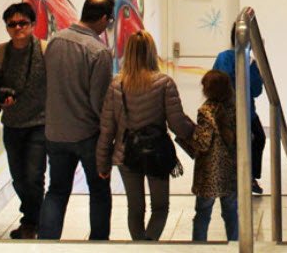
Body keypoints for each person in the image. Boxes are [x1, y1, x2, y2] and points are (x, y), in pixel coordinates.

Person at [96, 29, 195, 241]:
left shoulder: (117, 85)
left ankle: (139, 246)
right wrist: (195, 131)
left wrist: (102, 163)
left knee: (135, 208)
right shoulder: (164, 83)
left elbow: (107, 129)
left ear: (128, 53)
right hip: (157, 153)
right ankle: (149, 245)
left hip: (126, 153)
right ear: (152, 52)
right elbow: (177, 124)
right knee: (160, 207)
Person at [38, 0, 115, 240]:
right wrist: (110, 134)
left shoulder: (55, 41)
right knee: (99, 192)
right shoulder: (99, 51)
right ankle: (98, 245)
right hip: (88, 135)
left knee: (56, 192)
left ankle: (47, 243)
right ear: (103, 18)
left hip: (55, 132)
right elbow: (99, 101)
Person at [0, 2, 48, 240]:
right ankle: (34, 217)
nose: (17, 28)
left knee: (34, 176)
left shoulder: (45, 50)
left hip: (40, 123)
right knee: (19, 179)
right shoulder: (0, 53)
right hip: (12, 125)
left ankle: (31, 223)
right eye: (12, 24)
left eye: (22, 23)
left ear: (32, 24)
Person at [212, 27, 266, 194]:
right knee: (235, 143)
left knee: (259, 138)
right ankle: (236, 178)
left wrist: (252, 66)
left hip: (247, 112)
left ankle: (250, 177)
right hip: (228, 112)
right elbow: (222, 83)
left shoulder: (250, 61)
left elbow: (256, 90)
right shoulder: (225, 58)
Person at [189, 69, 240, 241]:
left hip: (209, 175)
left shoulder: (205, 111)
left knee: (203, 213)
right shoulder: (235, 109)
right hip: (230, 172)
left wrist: (190, 137)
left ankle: (199, 246)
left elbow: (202, 143)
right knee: (231, 212)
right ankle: (235, 245)